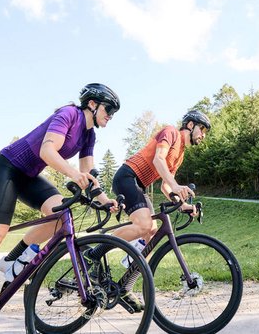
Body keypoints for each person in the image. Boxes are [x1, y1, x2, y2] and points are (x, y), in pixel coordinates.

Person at [0, 83, 122, 334]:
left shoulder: (89, 135)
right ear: (92, 103)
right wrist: (72, 174)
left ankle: (13, 260)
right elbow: (47, 150)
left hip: (29, 176)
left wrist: (103, 199)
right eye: (109, 109)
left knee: (60, 214)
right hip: (6, 169)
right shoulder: (69, 114)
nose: (110, 115)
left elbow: (87, 173)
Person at [84, 109, 211, 313]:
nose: (203, 135)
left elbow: (165, 187)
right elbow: (157, 160)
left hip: (139, 186)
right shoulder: (171, 133)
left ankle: (125, 287)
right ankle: (93, 254)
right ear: (190, 125)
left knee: (151, 231)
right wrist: (177, 186)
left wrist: (183, 204)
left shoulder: (180, 154)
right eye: (202, 129)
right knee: (143, 224)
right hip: (127, 177)